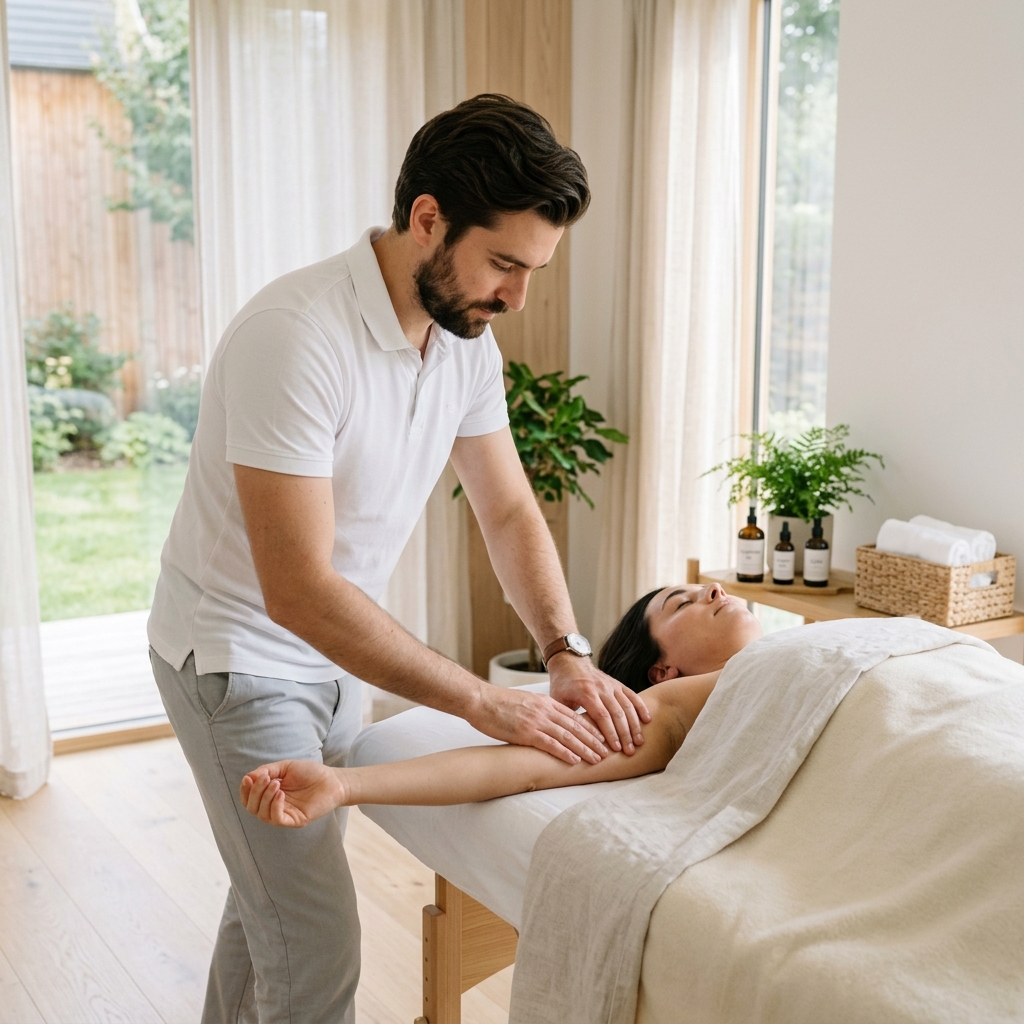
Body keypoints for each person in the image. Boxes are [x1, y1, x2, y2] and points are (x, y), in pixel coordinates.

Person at [147, 93, 651, 1024]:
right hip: (239, 658)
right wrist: (480, 699)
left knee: (266, 912)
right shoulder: (294, 337)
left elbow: (505, 507)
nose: (517, 297)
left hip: (337, 658)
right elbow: (294, 588)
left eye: (535, 269)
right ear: (428, 219)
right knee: (316, 943)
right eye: (504, 262)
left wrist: (565, 649)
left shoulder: (464, 341)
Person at [239, 582, 764, 824]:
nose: (714, 590)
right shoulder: (670, 705)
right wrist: (347, 784)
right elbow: (526, 767)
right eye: (684, 601)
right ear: (661, 673)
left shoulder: (810, 647)